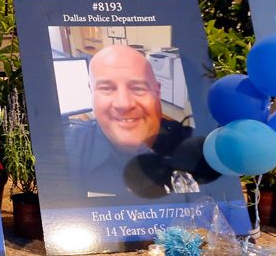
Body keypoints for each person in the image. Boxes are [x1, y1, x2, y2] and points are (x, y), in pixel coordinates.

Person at [64, 44, 210, 200]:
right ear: (91, 92)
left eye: (138, 88)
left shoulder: (200, 152)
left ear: (157, 91)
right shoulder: (65, 151)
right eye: (106, 88)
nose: (124, 104)